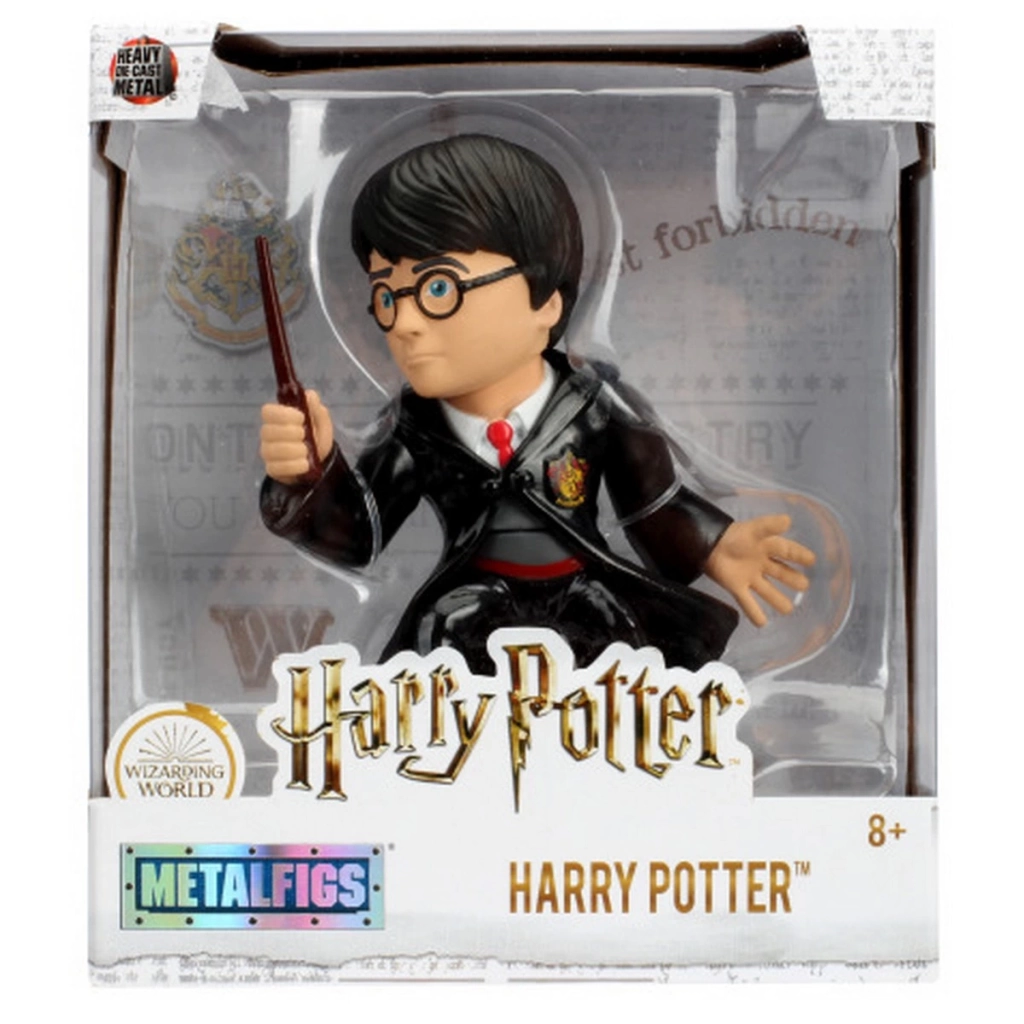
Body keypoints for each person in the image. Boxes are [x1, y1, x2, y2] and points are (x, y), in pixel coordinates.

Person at [259, 134, 814, 673]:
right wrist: (309, 475)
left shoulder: (594, 407)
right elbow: (361, 533)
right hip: (472, 599)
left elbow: (651, 504)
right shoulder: (415, 429)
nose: (403, 323)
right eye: (386, 295)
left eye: (438, 289)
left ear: (545, 299)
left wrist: (714, 544)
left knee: (625, 654)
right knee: (437, 650)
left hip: (583, 589)